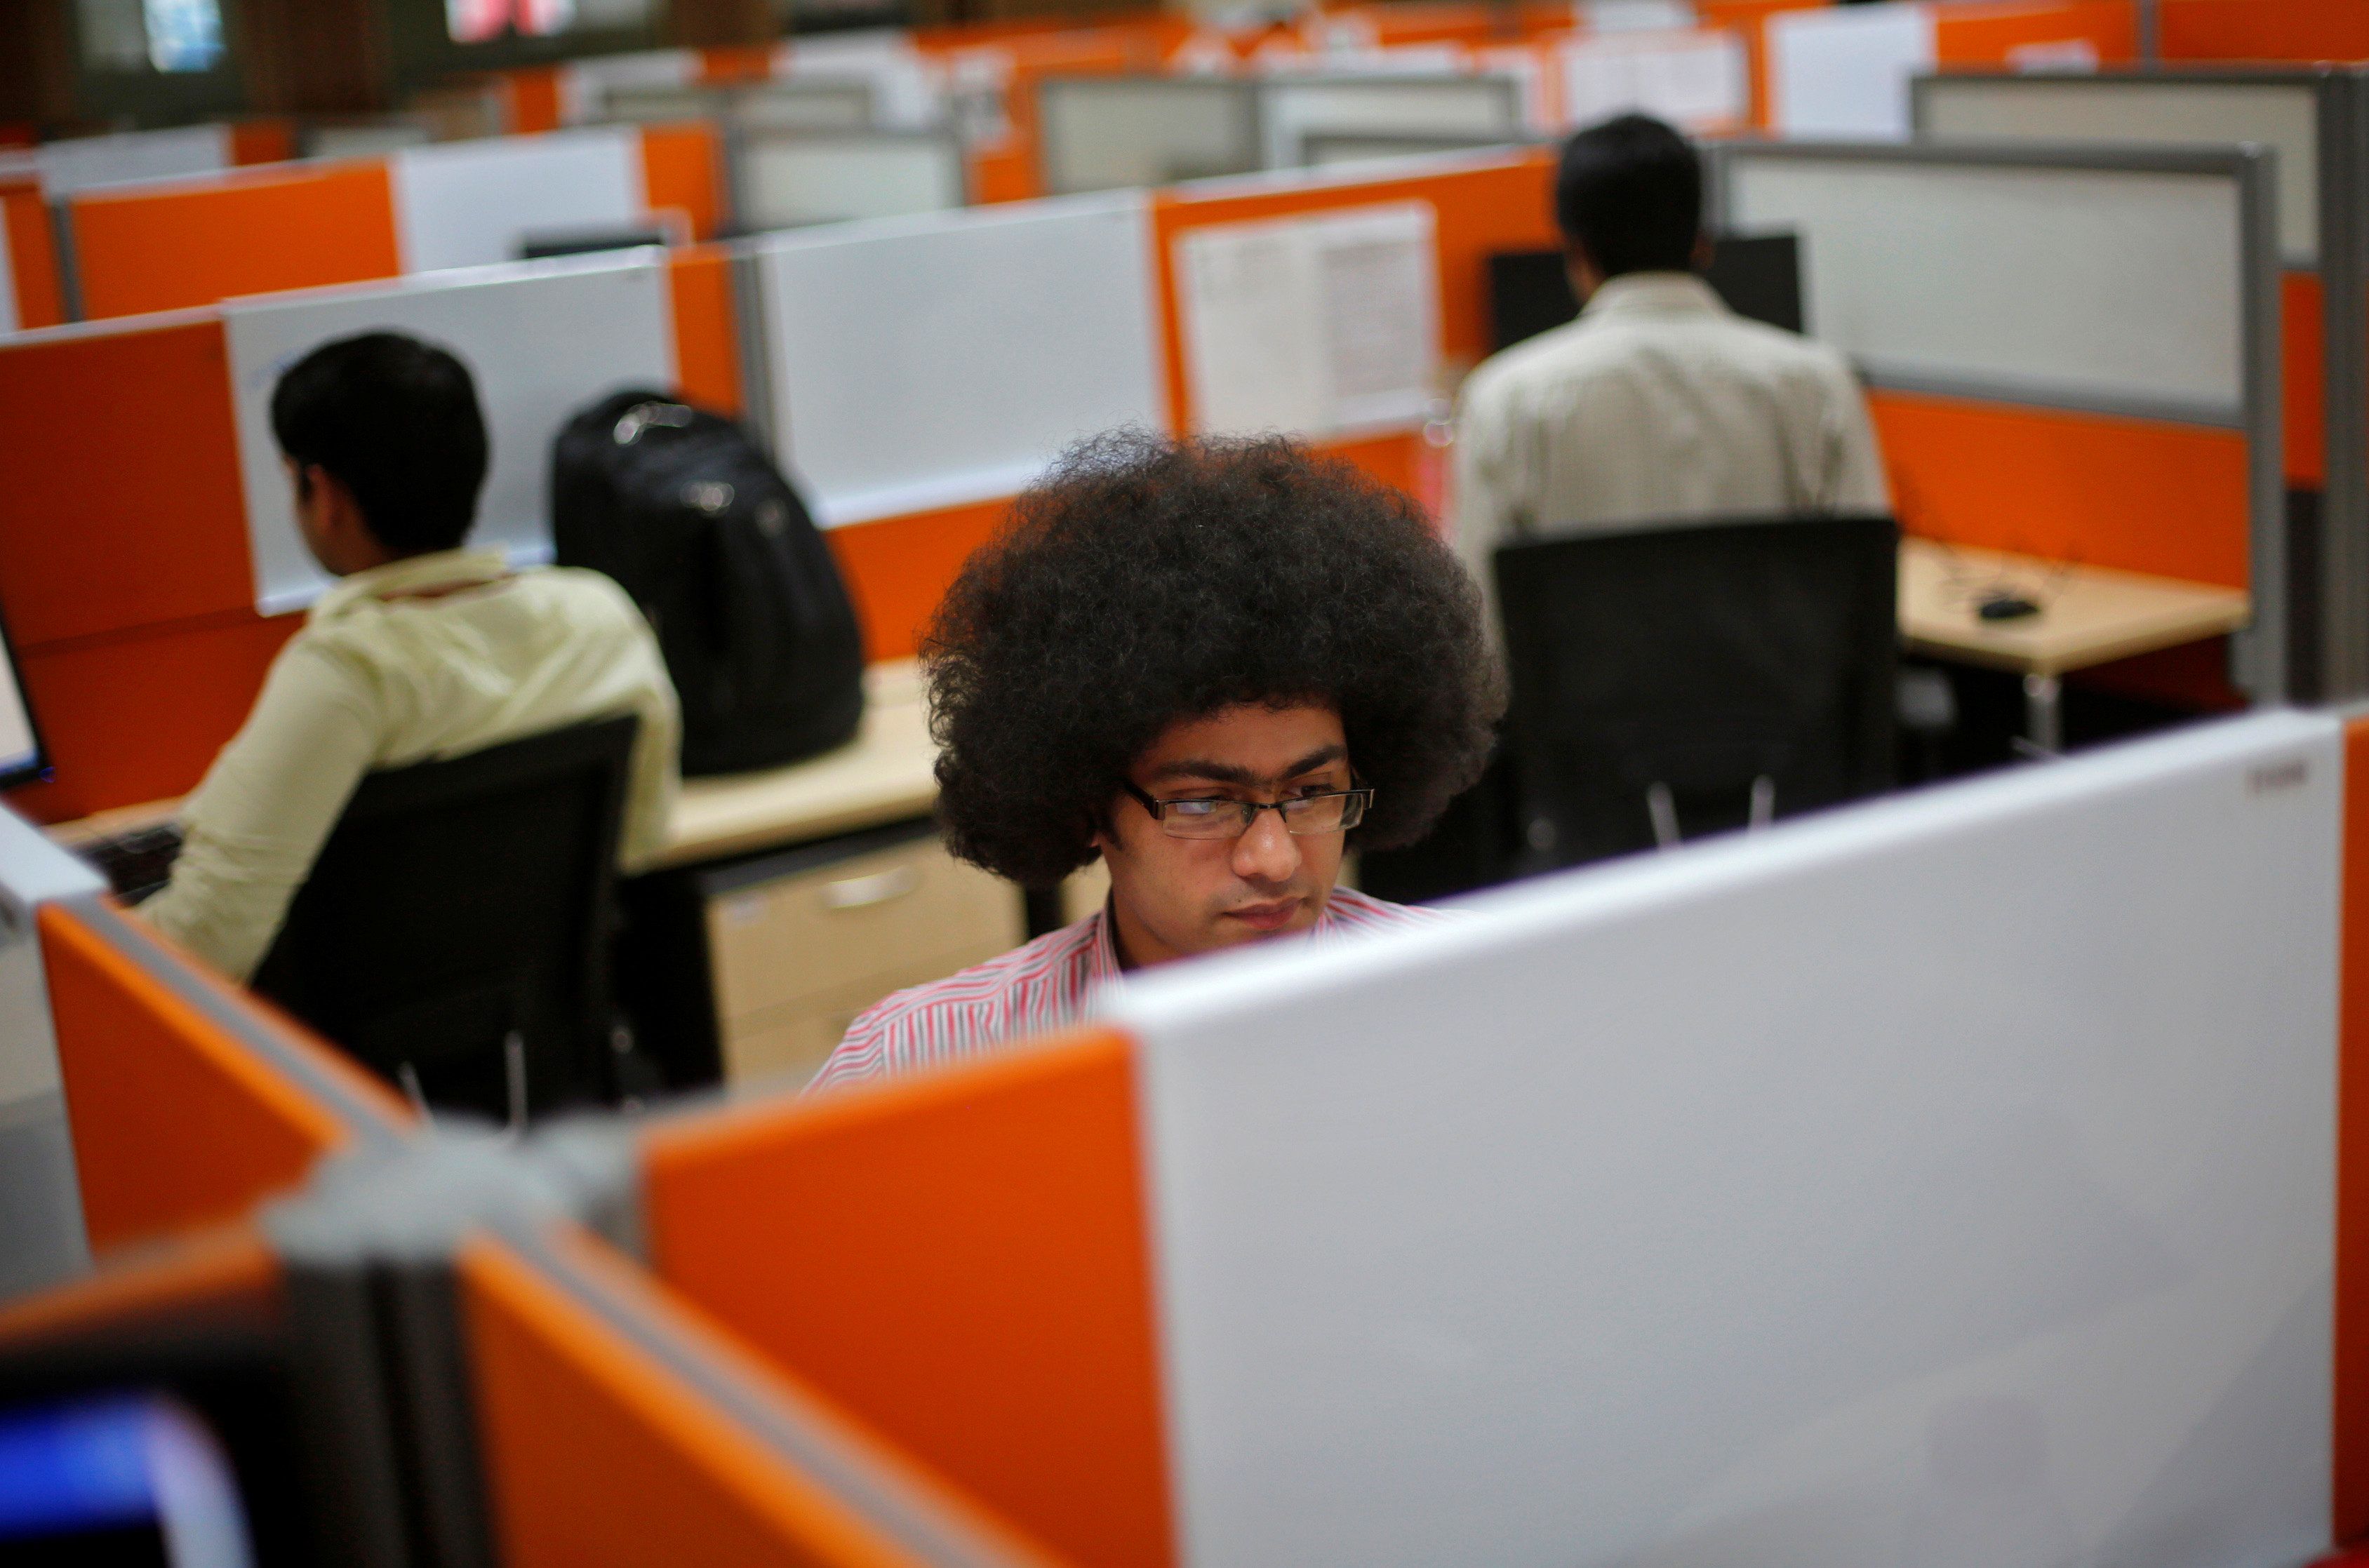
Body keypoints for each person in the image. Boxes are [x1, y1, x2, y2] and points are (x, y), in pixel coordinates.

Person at [808, 431, 1501, 1092]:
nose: (1274, 860)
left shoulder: (1483, 995)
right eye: (1203, 803)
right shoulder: (919, 1066)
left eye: (1311, 792)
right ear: (1087, 806)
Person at [140, 331, 679, 981]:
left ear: (326, 495)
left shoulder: (350, 671)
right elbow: (640, 841)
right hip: (536, 1036)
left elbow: (203, 945)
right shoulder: (597, 616)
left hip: (351, 1075)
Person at [1453, 112, 1890, 636]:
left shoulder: (1505, 399)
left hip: (1586, 718)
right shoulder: (1819, 384)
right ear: (1701, 241)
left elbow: (1478, 636)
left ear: (1576, 249)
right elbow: (1867, 607)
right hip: (1778, 715)